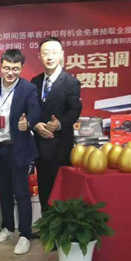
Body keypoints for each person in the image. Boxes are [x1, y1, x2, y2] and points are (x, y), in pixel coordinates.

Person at [0, 49, 41, 255]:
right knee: (4, 191)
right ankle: (8, 227)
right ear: (1, 66)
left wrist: (28, 122)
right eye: (7, 68)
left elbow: (35, 110)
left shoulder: (28, 88)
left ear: (21, 68)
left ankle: (25, 234)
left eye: (15, 69)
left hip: (18, 148)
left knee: (21, 193)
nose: (11, 72)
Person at [31, 37, 82, 211]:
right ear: (39, 56)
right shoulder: (35, 82)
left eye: (54, 52)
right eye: (45, 53)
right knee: (44, 191)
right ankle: (46, 224)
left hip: (60, 147)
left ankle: (60, 225)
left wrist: (59, 123)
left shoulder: (70, 82)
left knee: (61, 193)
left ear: (61, 55)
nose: (50, 56)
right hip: (40, 146)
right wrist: (35, 124)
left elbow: (74, 110)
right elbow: (31, 109)